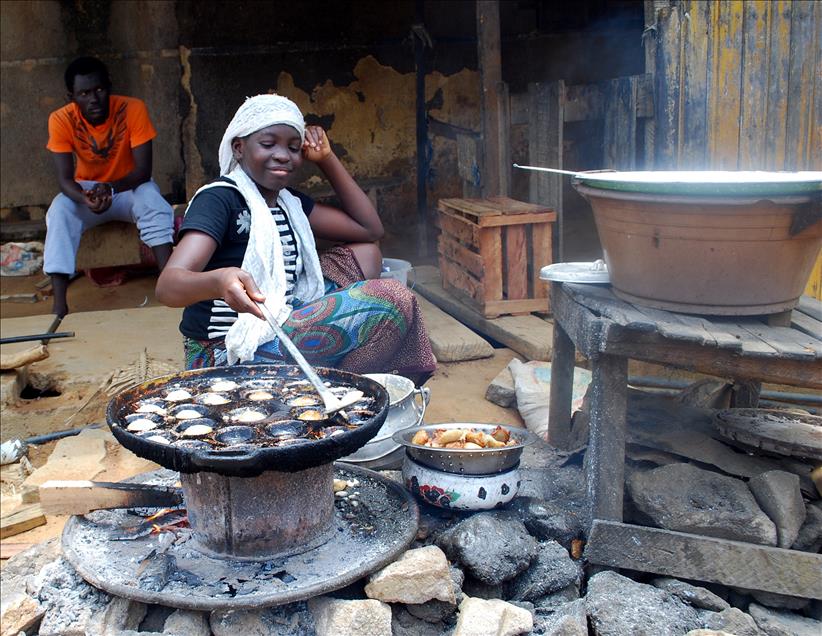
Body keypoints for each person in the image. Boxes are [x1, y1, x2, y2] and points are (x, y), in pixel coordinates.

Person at [155, 93, 436, 383]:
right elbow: (168, 286)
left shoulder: (288, 202)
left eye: (293, 147)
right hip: (226, 351)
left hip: (281, 317)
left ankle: (332, 379)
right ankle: (339, 383)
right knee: (392, 299)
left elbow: (369, 230)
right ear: (238, 148)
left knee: (366, 253)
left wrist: (326, 159)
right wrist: (219, 280)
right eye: (268, 144)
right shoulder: (220, 199)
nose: (282, 155)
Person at [44, 56, 174, 318]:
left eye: (99, 90)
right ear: (72, 97)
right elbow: (65, 180)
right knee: (59, 210)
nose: (93, 99)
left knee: (153, 201)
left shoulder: (132, 108)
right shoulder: (60, 119)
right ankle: (59, 306)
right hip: (88, 191)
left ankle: (171, 283)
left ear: (109, 87)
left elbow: (143, 171)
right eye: (84, 93)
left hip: (127, 186)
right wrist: (85, 198)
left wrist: (111, 188)